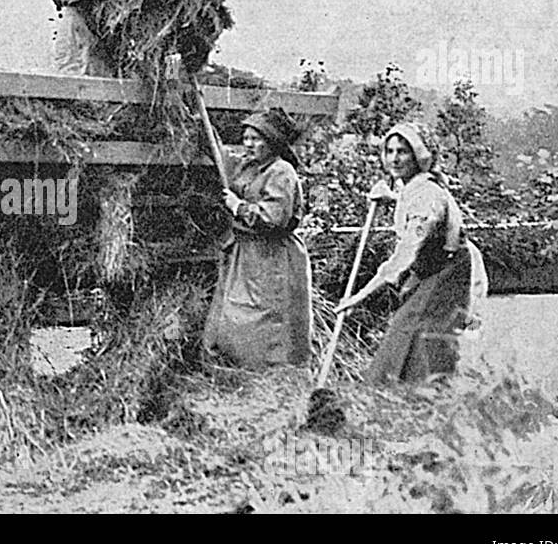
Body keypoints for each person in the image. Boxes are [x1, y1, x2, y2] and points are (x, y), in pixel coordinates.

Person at [335, 122, 488, 383]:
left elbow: (405, 256)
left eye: (403, 151)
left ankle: (418, 401)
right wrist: (391, 197)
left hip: (448, 273)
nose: (394, 158)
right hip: (433, 270)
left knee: (421, 339)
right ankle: (405, 398)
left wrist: (358, 297)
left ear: (418, 156)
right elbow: (410, 203)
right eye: (389, 151)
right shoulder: (414, 188)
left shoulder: (428, 195)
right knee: (411, 337)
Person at [203, 108, 313, 369]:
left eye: (255, 138)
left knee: (265, 321)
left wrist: (237, 206)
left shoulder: (281, 172)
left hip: (271, 257)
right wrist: (197, 118)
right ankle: (237, 372)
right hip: (246, 254)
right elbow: (221, 155)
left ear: (272, 142)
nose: (248, 143)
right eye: (246, 137)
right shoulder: (247, 166)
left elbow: (273, 219)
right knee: (233, 315)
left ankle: (269, 375)